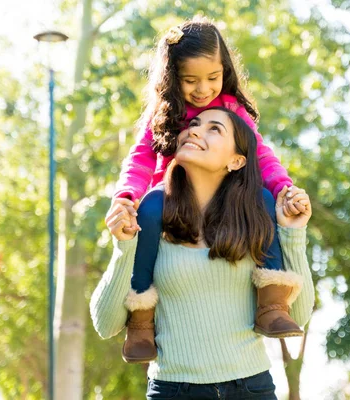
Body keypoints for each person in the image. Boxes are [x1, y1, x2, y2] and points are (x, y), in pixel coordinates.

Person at [112, 17, 305, 362]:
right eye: (190, 80)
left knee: (261, 198)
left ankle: (272, 301)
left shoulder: (231, 110)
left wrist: (283, 189)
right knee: (150, 210)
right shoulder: (164, 114)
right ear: (173, 78)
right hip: (176, 200)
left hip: (226, 199)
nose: (203, 89)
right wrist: (127, 196)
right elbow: (140, 159)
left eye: (212, 78)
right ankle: (141, 321)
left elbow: (260, 155)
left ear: (224, 70)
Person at [91, 108, 314, 399]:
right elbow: (105, 325)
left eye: (214, 129)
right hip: (173, 390)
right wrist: (123, 247)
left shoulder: (254, 218)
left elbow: (298, 313)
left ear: (236, 160)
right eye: (193, 124)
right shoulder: (151, 216)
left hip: (252, 388)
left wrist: (294, 233)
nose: (194, 130)